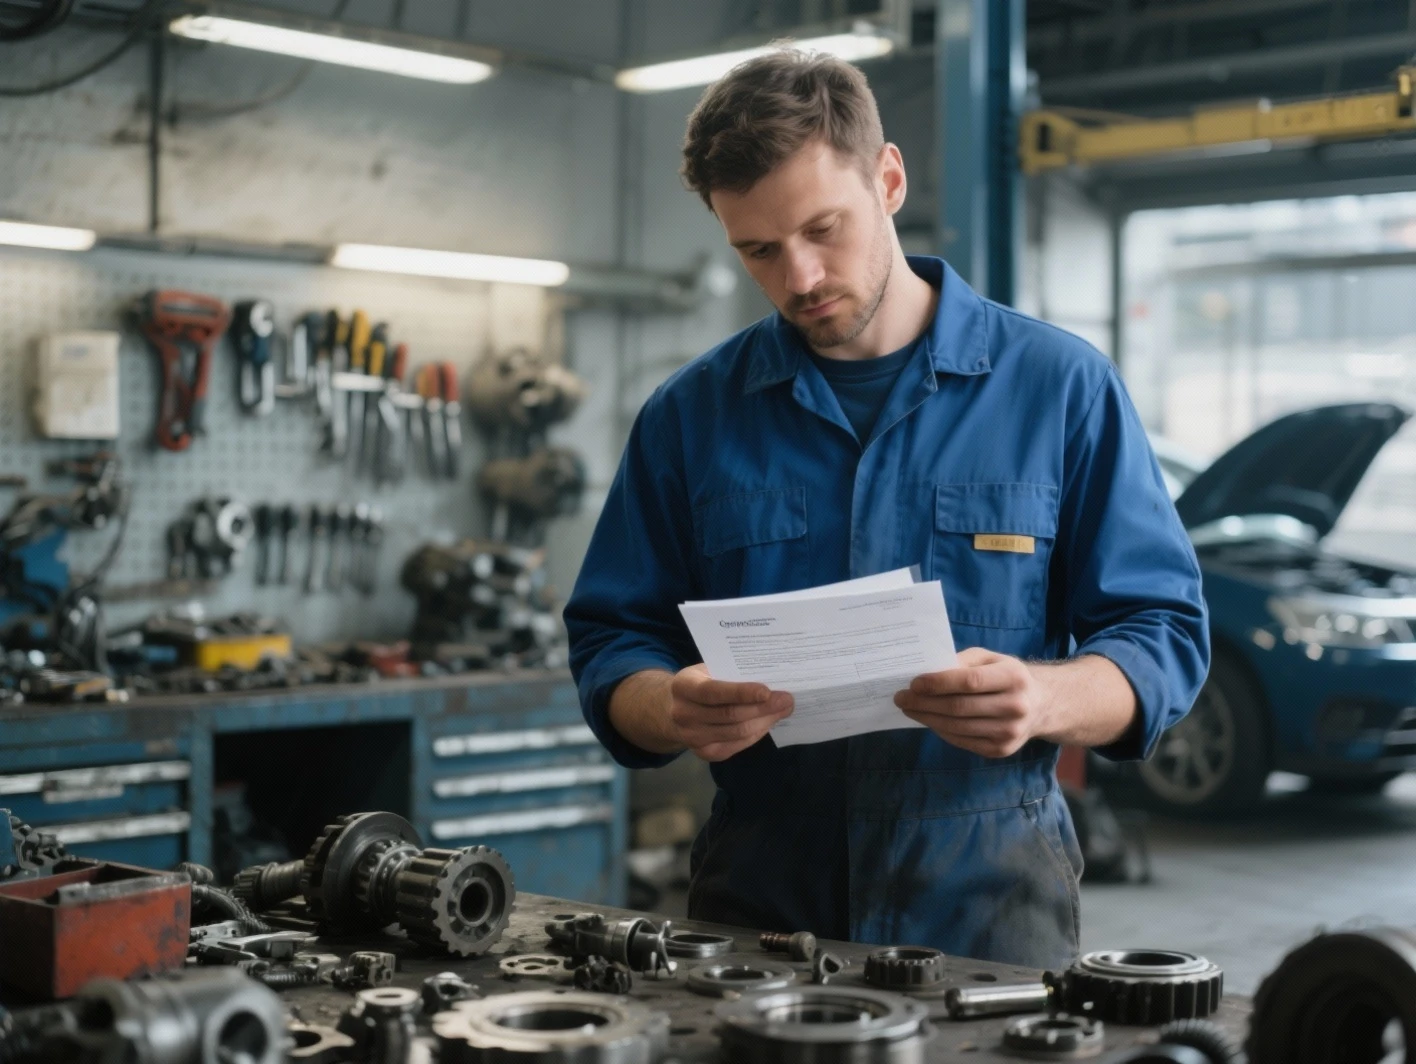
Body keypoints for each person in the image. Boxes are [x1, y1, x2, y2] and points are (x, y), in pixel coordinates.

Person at [564, 49, 1209, 968]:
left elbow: (1163, 635)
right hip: (761, 897)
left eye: (824, 228)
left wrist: (1043, 697)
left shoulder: (1059, 389)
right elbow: (610, 640)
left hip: (986, 897)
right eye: (758, 249)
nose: (799, 276)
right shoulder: (690, 417)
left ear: (890, 179)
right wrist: (669, 706)